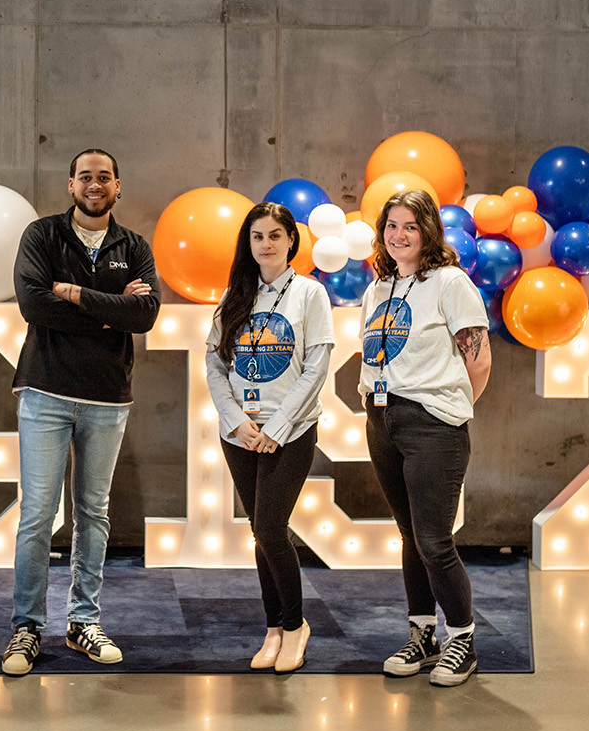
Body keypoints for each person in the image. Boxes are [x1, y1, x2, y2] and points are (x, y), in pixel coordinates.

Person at [2, 148, 161, 676]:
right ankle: (26, 627)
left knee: (93, 513)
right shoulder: (42, 237)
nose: (95, 185)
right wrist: (108, 309)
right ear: (71, 185)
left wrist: (72, 293)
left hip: (108, 396)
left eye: (104, 178)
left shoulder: (133, 246)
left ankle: (82, 622)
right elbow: (33, 305)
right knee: (37, 515)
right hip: (46, 391)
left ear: (118, 186)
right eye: (85, 177)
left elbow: (145, 315)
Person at [360, 189, 491, 687]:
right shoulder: (380, 288)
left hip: (432, 424)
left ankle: (463, 640)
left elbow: (477, 361)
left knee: (435, 541)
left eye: (410, 226)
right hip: (382, 420)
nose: (399, 235)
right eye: (391, 226)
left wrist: (447, 409)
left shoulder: (449, 282)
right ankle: (423, 635)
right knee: (410, 538)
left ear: (428, 231)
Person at [205, 202, 334, 672]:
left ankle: (296, 625)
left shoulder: (309, 294)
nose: (266, 244)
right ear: (249, 243)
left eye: (275, 235)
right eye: (258, 236)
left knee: (271, 528)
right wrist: (236, 420)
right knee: (261, 533)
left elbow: (316, 367)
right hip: (240, 433)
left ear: (290, 241)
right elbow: (216, 365)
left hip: (291, 431)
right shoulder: (234, 297)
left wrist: (277, 428)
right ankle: (274, 628)